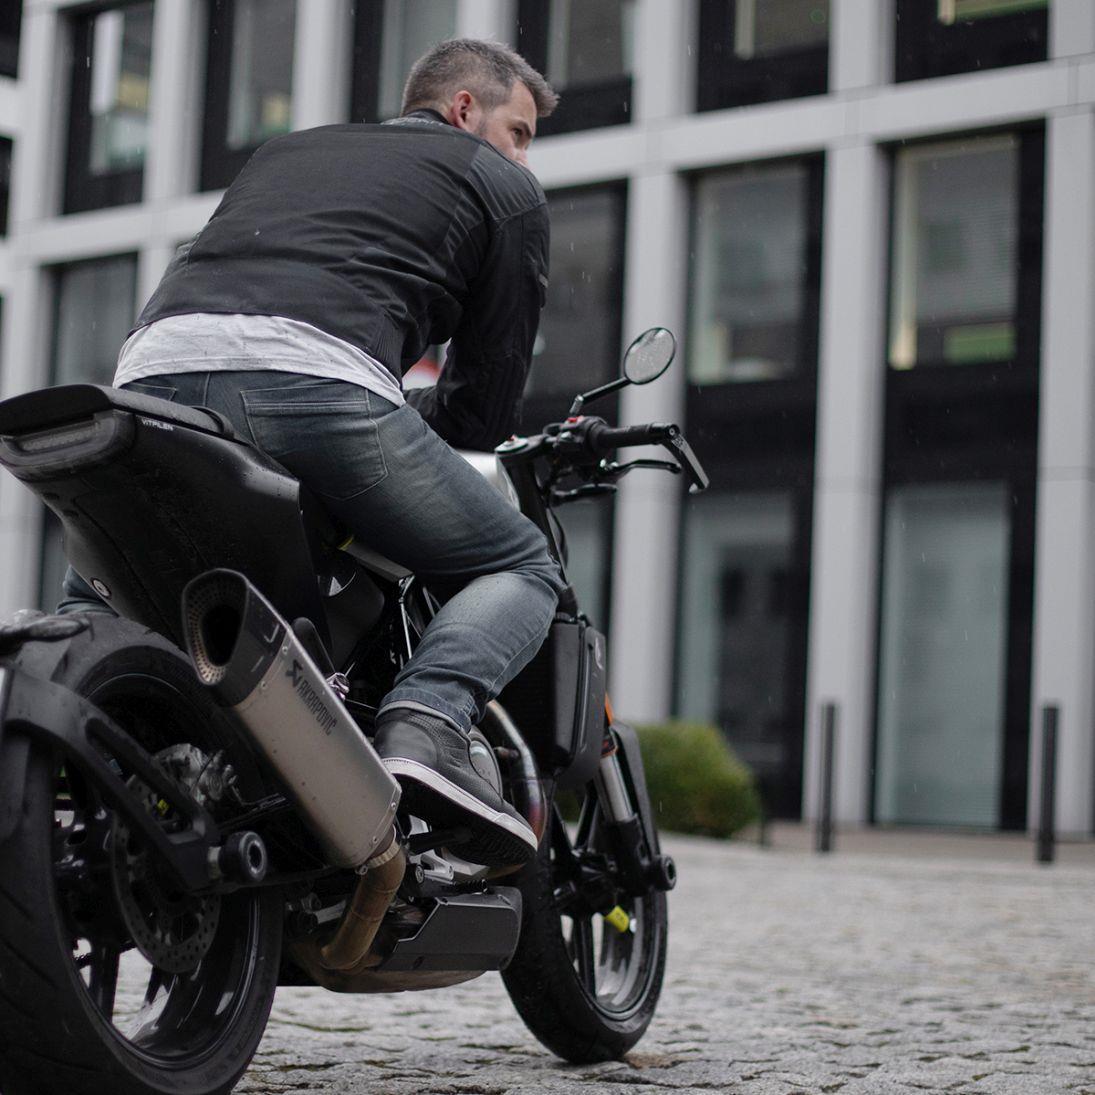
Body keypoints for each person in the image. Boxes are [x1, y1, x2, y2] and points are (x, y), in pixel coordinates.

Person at [66, 39, 566, 867]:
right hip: (315, 387)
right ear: (463, 109)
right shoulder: (503, 188)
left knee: (104, 588)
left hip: (148, 377)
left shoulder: (289, 150)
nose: (522, 156)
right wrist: (408, 415)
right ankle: (426, 723)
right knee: (521, 566)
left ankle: (64, 737)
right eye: (518, 131)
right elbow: (482, 407)